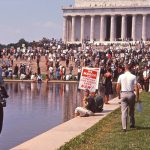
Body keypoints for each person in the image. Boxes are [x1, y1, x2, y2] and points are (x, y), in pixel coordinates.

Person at [116, 63, 140, 132]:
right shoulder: (133, 76)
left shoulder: (121, 76)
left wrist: (119, 95)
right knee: (132, 109)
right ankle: (132, 123)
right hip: (131, 93)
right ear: (131, 69)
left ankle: (124, 127)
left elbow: (117, 87)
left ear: (125, 68)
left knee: (123, 111)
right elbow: (136, 87)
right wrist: (137, 97)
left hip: (123, 93)